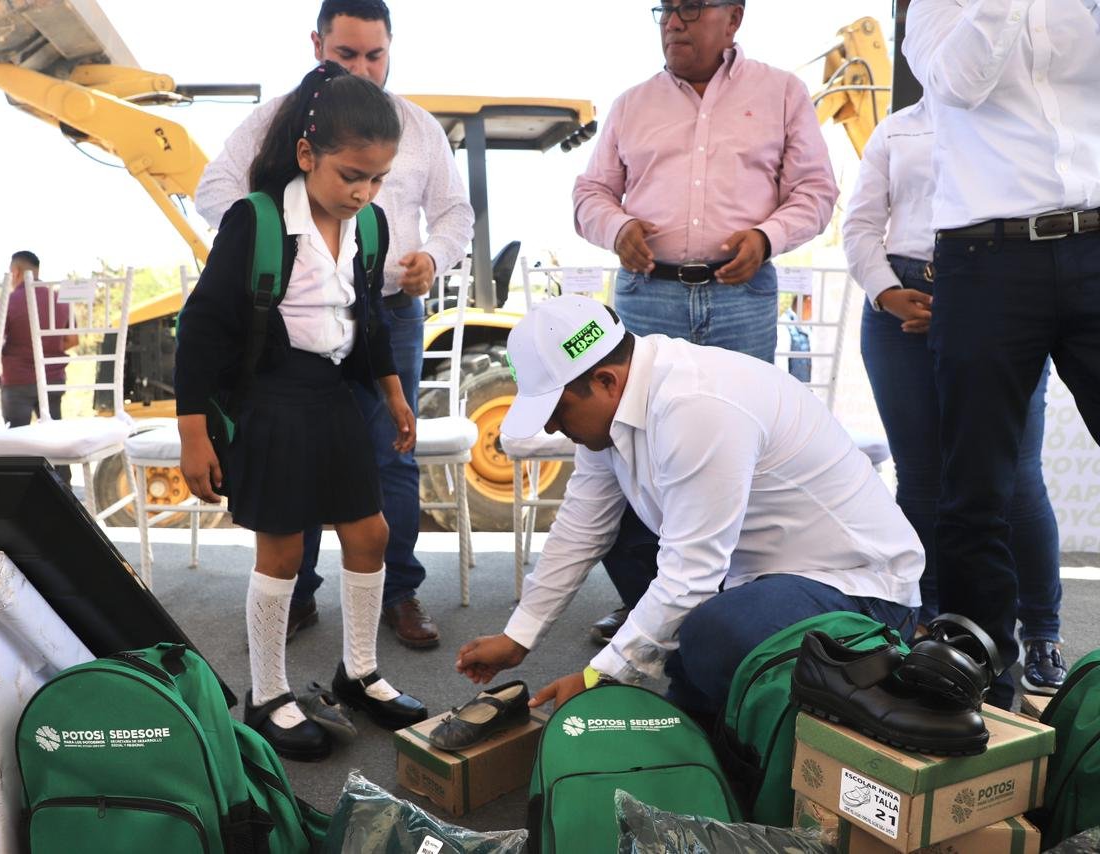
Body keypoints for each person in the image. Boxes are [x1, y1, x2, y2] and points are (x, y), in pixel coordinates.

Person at [455, 295, 923, 717]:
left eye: (557, 412)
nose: (554, 428)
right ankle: (704, 688)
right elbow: (582, 526)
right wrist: (520, 635)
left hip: (857, 590)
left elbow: (690, 575)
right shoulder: (613, 407)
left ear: (605, 380)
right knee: (633, 550)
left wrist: (599, 678)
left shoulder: (697, 406)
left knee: (710, 633)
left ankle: (739, 698)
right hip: (752, 574)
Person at [196, 0, 474, 650]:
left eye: (375, 55)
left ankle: (399, 593)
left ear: (390, 49)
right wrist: (282, 246)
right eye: (346, 54)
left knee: (390, 457)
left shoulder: (419, 127)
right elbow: (215, 190)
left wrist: (433, 257)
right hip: (294, 322)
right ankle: (296, 592)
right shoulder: (275, 121)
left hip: (388, 313)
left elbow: (456, 212)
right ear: (316, 44)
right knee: (296, 451)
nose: (362, 68)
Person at [176, 64, 428, 761]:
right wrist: (193, 433)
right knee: (283, 549)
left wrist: (393, 391)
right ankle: (268, 693)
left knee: (370, 533)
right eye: (352, 175)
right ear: (307, 155)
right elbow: (201, 327)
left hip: (333, 395)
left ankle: (359, 671)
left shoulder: (370, 227)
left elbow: (369, 317)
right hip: (272, 398)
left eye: (377, 179)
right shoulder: (256, 220)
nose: (364, 192)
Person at [572, 0, 839, 644]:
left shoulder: (782, 92)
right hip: (648, 294)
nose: (674, 23)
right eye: (665, 9)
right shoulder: (631, 104)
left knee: (738, 451)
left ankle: (731, 609)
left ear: (735, 17)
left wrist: (767, 237)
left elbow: (816, 191)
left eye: (691, 8)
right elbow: (589, 195)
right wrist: (619, 227)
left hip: (740, 297)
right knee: (634, 447)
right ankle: (645, 606)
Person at [904, 0, 1100, 707]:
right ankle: (987, 692)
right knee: (976, 486)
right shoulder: (937, 7)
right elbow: (957, 84)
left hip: (1096, 240)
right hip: (987, 260)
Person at [843, 99, 1067, 694]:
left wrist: (967, 307)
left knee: (1015, 477)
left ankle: (1042, 628)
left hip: (999, 294)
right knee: (920, 477)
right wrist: (888, 293)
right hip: (900, 298)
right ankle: (932, 621)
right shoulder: (895, 128)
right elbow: (861, 224)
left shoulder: (1021, 116)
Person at [0, 251, 77, 483]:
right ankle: (64, 487)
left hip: (17, 381)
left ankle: (18, 489)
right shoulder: (59, 299)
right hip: (54, 379)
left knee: (17, 442)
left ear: (15, 271)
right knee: (56, 439)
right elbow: (73, 340)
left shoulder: (8, 301)